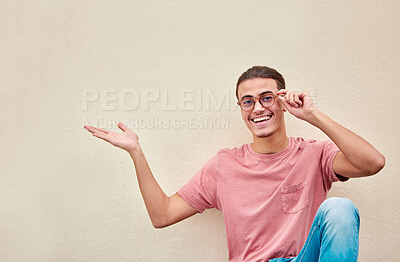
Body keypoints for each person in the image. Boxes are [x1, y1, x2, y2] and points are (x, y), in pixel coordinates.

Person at [84, 66, 385, 261]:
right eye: (248, 101)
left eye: (267, 98)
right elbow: (161, 215)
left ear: (282, 102)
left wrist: (313, 116)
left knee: (340, 208)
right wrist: (136, 152)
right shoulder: (224, 166)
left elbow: (372, 163)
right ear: (241, 108)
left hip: (302, 258)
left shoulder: (314, 155)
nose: (258, 108)